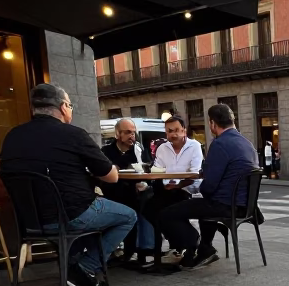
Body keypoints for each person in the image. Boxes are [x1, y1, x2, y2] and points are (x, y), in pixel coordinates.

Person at [0, 82, 136, 286]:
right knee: (128, 215)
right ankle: (86, 266)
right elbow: (111, 177)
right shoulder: (73, 134)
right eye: (70, 105)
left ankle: (74, 261)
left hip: (31, 221)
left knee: (93, 213)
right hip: (72, 214)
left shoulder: (11, 137)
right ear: (63, 107)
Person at [158, 103, 259, 269]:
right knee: (203, 205)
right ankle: (205, 248)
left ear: (212, 123)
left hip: (226, 206)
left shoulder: (220, 144)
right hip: (245, 206)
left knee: (167, 213)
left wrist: (202, 188)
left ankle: (194, 244)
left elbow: (208, 187)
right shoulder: (247, 143)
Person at [142, 114, 203, 250]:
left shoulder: (195, 146)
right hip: (167, 189)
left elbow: (195, 173)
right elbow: (157, 170)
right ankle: (177, 242)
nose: (173, 134)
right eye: (169, 131)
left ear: (184, 130)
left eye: (176, 130)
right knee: (147, 208)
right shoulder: (162, 148)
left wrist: (179, 184)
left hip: (187, 189)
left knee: (164, 210)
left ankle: (188, 240)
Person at [100, 117, 155, 269]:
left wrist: (143, 182)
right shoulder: (106, 152)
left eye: (133, 133)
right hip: (112, 193)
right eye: (128, 132)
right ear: (118, 134)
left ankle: (139, 249)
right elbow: (101, 173)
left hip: (134, 193)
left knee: (145, 202)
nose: (132, 136)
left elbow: (147, 170)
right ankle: (119, 250)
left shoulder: (138, 150)